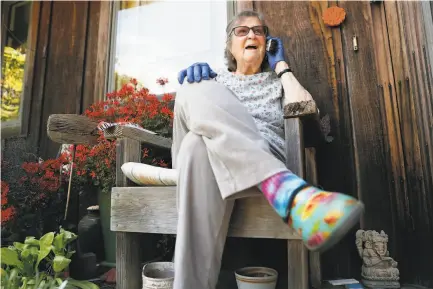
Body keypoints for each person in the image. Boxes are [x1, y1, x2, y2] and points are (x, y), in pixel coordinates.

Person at [172, 10, 364, 289]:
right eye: (242, 31)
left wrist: (282, 67)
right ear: (229, 46)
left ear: (267, 43)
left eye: (259, 31)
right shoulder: (215, 81)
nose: (251, 34)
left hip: (239, 165)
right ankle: (286, 191)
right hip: (217, 169)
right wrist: (198, 83)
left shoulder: (277, 83)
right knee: (192, 89)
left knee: (194, 146)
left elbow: (308, 108)